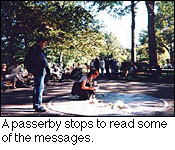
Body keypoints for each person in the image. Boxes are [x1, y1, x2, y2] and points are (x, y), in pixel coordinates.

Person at [30, 36, 49, 112]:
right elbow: (42, 61)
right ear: (41, 42)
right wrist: (46, 68)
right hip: (40, 70)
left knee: (37, 87)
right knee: (39, 88)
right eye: (44, 43)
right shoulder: (38, 49)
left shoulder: (34, 49)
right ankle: (38, 105)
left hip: (37, 70)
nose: (45, 45)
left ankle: (36, 104)